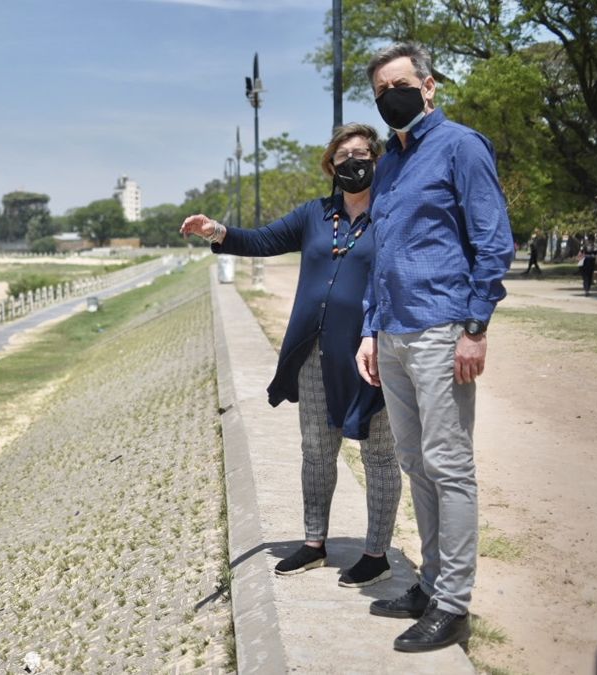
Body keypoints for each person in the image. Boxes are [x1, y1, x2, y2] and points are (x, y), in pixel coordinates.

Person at [181, 123, 400, 588]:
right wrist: (215, 230)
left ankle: (376, 552)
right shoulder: (315, 215)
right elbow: (262, 241)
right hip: (315, 355)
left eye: (362, 154)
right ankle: (314, 542)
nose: (353, 163)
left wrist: (382, 334)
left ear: (377, 160)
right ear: (331, 167)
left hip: (371, 354)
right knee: (316, 451)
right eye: (343, 158)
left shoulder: (392, 215)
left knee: (380, 456)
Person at [355, 42, 515, 653]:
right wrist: (371, 327)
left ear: (428, 86)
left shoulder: (462, 146)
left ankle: (453, 604)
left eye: (398, 84)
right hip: (393, 332)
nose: (389, 96)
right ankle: (427, 582)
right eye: (378, 92)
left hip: (443, 328)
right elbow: (382, 256)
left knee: (450, 467)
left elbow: (492, 239)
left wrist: (475, 328)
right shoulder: (389, 164)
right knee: (416, 464)